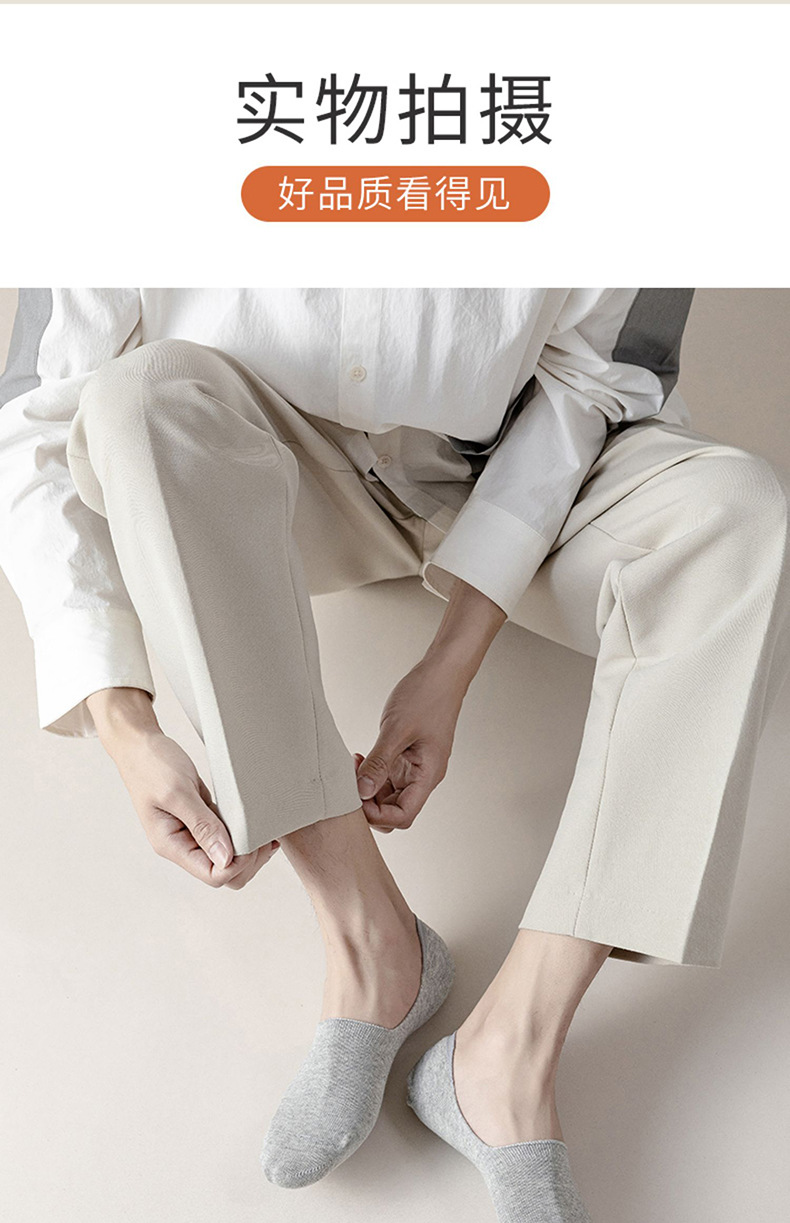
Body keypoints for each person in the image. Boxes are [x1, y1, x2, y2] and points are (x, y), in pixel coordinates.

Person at [1, 288, 788, 1223]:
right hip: (268, 480)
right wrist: (124, 723)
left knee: (734, 511)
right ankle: (372, 940)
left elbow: (593, 377)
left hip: (521, 472)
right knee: (137, 400)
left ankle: (507, 1052)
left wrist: (450, 662)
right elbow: (39, 412)